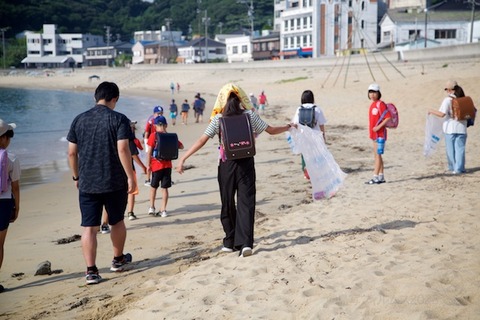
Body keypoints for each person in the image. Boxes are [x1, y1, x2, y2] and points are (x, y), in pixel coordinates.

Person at [176, 83, 294, 257]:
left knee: (227, 201)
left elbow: (202, 140)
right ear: (241, 99)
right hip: (246, 162)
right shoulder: (250, 115)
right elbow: (270, 130)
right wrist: (288, 127)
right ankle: (246, 243)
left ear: (221, 101)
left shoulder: (218, 119)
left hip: (226, 164)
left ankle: (230, 241)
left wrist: (183, 158)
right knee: (246, 202)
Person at [67, 81, 136, 285]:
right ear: (114, 99)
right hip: (114, 181)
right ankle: (117, 260)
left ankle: (91, 271)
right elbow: (123, 149)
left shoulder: (79, 120)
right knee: (117, 221)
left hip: (88, 182)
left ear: (95, 97)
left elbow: (72, 152)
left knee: (89, 227)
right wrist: (130, 176)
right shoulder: (119, 119)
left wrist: (76, 177)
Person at [146, 116, 184, 217]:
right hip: (167, 166)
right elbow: (181, 146)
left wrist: (148, 165)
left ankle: (151, 207)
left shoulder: (153, 136)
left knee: (153, 187)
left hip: (156, 166)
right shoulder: (171, 136)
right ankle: (163, 210)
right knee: (165, 188)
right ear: (166, 125)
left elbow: (149, 151)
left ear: (155, 126)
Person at [428, 80, 468, 174]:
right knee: (460, 149)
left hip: (450, 128)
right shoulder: (463, 99)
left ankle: (453, 168)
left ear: (450, 90)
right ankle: (460, 168)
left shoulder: (447, 100)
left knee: (451, 150)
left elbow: (442, 114)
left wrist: (431, 111)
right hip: (462, 128)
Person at [0, 119, 20, 293]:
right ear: (4, 138)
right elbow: (15, 186)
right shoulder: (11, 158)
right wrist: (17, 207)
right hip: (4, 203)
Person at [291, 90, 327, 179]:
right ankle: (316, 171)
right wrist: (323, 136)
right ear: (312, 98)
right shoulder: (317, 109)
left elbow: (295, 123)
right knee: (316, 154)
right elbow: (321, 124)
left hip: (303, 136)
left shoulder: (299, 109)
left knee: (305, 153)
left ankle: (306, 172)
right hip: (315, 135)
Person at [365, 83, 391, 185]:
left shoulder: (381, 104)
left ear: (378, 93)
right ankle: (381, 176)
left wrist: (379, 127)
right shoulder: (373, 105)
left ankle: (375, 177)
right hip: (374, 134)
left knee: (378, 155)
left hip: (380, 134)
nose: (372, 94)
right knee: (377, 155)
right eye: (370, 92)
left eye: (374, 92)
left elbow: (388, 117)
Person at [127, 121, 148, 220]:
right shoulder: (130, 141)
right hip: (130, 169)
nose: (133, 129)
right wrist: (143, 166)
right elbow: (134, 155)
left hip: (116, 169)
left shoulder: (116, 139)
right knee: (132, 191)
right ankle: (130, 212)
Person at [144, 106, 163, 186]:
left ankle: (161, 178)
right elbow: (146, 132)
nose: (160, 115)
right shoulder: (151, 121)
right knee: (150, 160)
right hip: (151, 141)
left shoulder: (161, 119)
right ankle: (148, 179)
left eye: (161, 113)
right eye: (158, 113)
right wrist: (146, 144)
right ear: (154, 113)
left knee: (161, 158)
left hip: (159, 141)